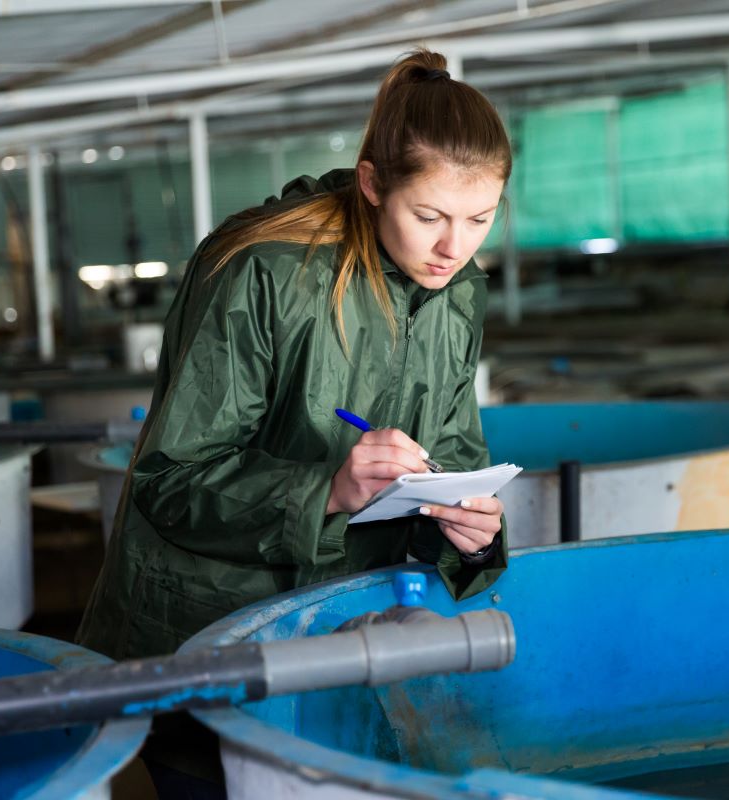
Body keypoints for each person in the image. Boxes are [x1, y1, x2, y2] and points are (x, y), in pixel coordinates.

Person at [76, 47, 512, 797]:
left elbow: (454, 455)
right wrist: (330, 492)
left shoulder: (455, 294)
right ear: (373, 184)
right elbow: (169, 478)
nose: (455, 246)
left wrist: (471, 535)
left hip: (338, 639)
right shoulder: (263, 271)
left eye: (480, 218)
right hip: (206, 635)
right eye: (430, 216)